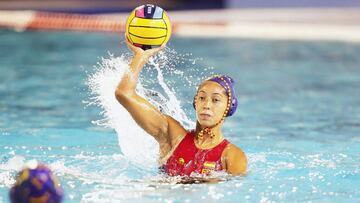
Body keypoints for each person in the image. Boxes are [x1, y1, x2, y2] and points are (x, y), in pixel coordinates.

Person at [115, 38, 247, 177]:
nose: (207, 105)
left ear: (229, 107)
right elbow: (124, 93)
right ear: (195, 102)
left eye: (215, 100)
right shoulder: (171, 136)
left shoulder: (232, 156)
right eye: (202, 98)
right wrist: (141, 57)